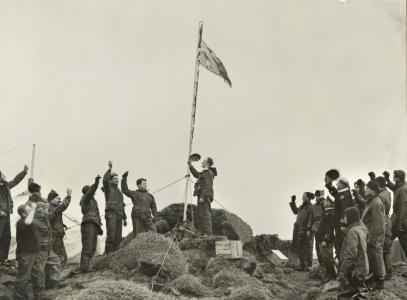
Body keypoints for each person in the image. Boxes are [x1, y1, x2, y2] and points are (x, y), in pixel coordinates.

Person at [25, 182, 51, 300]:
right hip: (37, 242)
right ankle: (40, 295)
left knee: (40, 267)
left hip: (45, 241)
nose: (40, 193)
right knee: (38, 268)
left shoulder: (42, 203)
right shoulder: (30, 205)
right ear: (35, 192)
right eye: (39, 191)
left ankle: (39, 292)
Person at [0, 165, 28, 266]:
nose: (4, 175)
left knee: (6, 236)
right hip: (0, 215)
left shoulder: (6, 185)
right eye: (2, 174)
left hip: (6, 214)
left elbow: (15, 181)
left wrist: (24, 172)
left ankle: (2, 259)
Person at [338, 207, 369, 297]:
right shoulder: (360, 229)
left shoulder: (352, 232)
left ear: (350, 217)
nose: (343, 218)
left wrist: (343, 271)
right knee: (360, 292)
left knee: (346, 293)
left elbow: (351, 254)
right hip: (361, 268)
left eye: (345, 216)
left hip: (353, 270)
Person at [361, 180, 386, 290]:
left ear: (373, 190)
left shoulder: (375, 202)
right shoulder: (372, 201)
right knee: (373, 258)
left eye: (367, 188)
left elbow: (378, 224)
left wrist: (373, 239)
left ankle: (379, 282)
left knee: (376, 257)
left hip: (374, 237)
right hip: (370, 236)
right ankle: (374, 281)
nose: (365, 190)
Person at [325, 176, 354, 256]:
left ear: (342, 184)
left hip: (342, 226)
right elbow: (335, 193)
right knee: (339, 245)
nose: (336, 184)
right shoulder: (342, 193)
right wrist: (329, 185)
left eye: (338, 183)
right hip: (339, 225)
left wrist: (344, 224)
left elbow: (346, 210)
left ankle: (344, 265)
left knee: (342, 246)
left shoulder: (346, 195)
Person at [121, 172, 158, 237]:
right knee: (138, 235)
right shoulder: (134, 193)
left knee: (153, 232)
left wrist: (155, 216)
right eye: (144, 184)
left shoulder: (150, 196)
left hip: (148, 217)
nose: (145, 185)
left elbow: (154, 207)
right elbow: (125, 190)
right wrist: (124, 178)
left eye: (146, 184)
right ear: (139, 185)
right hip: (137, 216)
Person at [14, 202, 39, 300]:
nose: (33, 212)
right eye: (29, 211)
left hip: (31, 253)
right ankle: (17, 297)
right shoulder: (21, 222)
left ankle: (30, 297)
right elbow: (28, 222)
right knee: (23, 277)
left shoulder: (29, 221)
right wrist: (33, 208)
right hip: (25, 254)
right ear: (24, 214)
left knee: (29, 277)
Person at [188, 157, 217, 237]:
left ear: (207, 163)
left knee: (205, 214)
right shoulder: (205, 173)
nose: (202, 162)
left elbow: (208, 186)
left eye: (204, 161)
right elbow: (196, 174)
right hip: (201, 195)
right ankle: (204, 233)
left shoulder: (208, 172)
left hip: (204, 196)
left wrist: (203, 197)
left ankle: (208, 233)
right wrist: (190, 166)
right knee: (201, 214)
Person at [80, 175, 103, 273]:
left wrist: (100, 227)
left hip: (94, 224)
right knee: (88, 247)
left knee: (92, 247)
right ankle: (84, 267)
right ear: (87, 192)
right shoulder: (86, 199)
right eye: (90, 191)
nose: (93, 192)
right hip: (88, 224)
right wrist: (96, 182)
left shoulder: (93, 201)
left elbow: (97, 215)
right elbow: (91, 191)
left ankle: (87, 266)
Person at [103, 161, 127, 254]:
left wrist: (124, 218)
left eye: (118, 179)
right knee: (111, 236)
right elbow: (104, 180)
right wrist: (109, 169)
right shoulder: (108, 189)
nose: (117, 180)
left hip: (119, 215)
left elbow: (122, 205)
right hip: (111, 214)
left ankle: (115, 254)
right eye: (115, 179)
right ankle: (108, 254)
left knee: (118, 237)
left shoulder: (120, 193)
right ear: (111, 180)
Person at [383, 170, 407, 256]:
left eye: (394, 177)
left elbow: (403, 208)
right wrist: (387, 179)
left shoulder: (403, 190)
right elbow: (394, 187)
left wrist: (400, 224)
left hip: (400, 221)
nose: (393, 178)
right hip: (398, 220)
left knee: (387, 242)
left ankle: (385, 266)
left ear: (398, 178)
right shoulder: (400, 186)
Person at [290, 192, 314, 271]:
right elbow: (295, 212)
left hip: (306, 231)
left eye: (304, 196)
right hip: (299, 230)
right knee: (300, 248)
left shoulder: (311, 207)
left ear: (308, 198)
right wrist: (293, 202)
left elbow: (311, 219)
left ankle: (308, 266)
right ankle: (302, 265)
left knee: (307, 248)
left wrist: (308, 230)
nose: (302, 198)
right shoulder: (302, 207)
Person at [47, 190, 71, 269]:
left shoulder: (53, 208)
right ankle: (56, 275)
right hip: (55, 236)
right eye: (57, 198)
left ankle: (55, 274)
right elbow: (61, 207)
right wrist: (68, 196)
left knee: (59, 257)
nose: (59, 200)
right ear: (51, 200)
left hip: (56, 235)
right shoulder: (50, 209)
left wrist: (61, 225)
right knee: (62, 257)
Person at [376, 176, 393, 279]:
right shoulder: (388, 193)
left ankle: (387, 272)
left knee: (384, 249)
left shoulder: (381, 196)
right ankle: (388, 271)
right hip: (387, 221)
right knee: (386, 248)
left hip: (383, 222)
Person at [317, 197, 337, 282]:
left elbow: (330, 228)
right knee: (325, 258)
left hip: (326, 241)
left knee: (327, 258)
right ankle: (330, 275)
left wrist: (326, 239)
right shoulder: (326, 213)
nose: (324, 202)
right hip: (322, 240)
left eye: (326, 201)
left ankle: (333, 275)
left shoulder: (330, 215)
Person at [307, 190, 325, 269]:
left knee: (323, 247)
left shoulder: (324, 204)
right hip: (315, 228)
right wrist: (309, 228)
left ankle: (325, 265)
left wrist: (323, 200)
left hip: (324, 228)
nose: (317, 197)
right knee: (316, 247)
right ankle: (321, 264)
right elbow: (310, 219)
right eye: (316, 196)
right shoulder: (313, 206)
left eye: (319, 196)